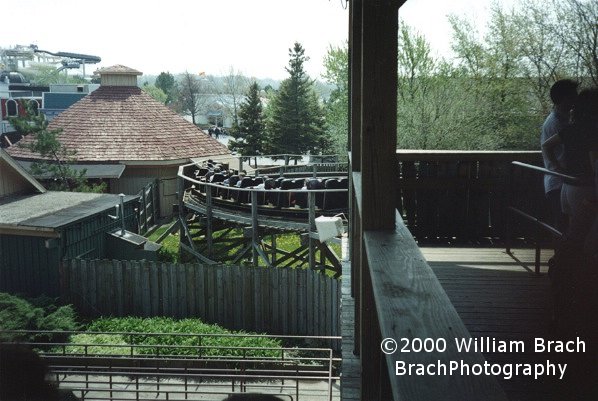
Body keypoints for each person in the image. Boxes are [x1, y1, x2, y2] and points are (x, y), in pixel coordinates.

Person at [542, 87, 598, 243]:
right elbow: (594, 164)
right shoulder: (592, 131)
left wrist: (559, 169)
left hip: (568, 186)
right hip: (584, 188)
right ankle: (563, 264)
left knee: (573, 233)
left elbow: (546, 145)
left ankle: (561, 263)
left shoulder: (572, 128)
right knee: (583, 237)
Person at [540, 79, 578, 231]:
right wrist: (559, 169)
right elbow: (548, 147)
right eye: (573, 95)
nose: (576, 98)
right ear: (564, 98)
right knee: (562, 224)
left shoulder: (563, 119)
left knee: (565, 224)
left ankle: (562, 253)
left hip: (560, 181)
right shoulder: (555, 123)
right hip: (558, 182)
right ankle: (561, 254)